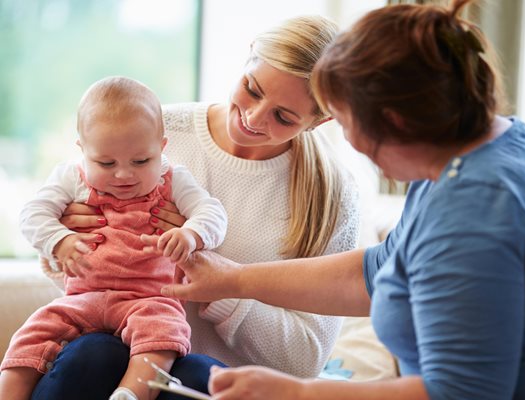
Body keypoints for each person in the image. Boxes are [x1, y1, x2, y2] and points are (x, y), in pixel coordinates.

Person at [155, 1, 525, 399]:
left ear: (395, 122)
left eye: (345, 122)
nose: (348, 141)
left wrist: (301, 395)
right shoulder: (476, 148)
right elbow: (380, 270)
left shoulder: (477, 213)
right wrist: (233, 281)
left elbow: (463, 392)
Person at [27, 15, 361, 400]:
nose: (253, 118)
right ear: (249, 54)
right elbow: (71, 276)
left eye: (283, 116)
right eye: (251, 89)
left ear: (321, 120)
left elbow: (306, 360)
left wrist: (222, 287)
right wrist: (68, 242)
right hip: (105, 355)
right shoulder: (150, 131)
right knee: (94, 353)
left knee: (201, 375)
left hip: (213, 386)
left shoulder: (331, 195)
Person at [0, 76, 228, 400]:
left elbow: (213, 213)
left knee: (164, 330)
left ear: (161, 148)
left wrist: (192, 234)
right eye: (106, 163)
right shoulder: (71, 177)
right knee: (35, 331)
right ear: (82, 151)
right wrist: (59, 240)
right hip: (82, 297)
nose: (124, 174)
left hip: (148, 299)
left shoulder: (173, 178)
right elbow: (32, 214)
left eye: (141, 161)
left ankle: (130, 392)